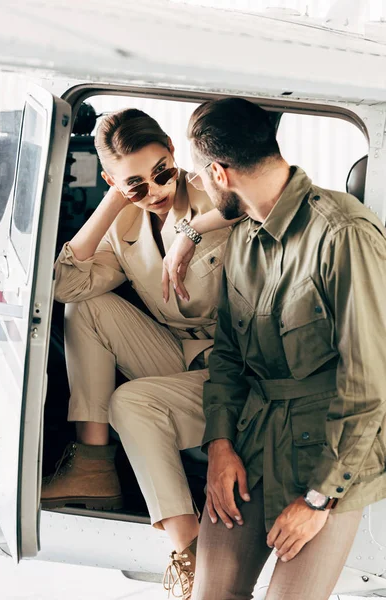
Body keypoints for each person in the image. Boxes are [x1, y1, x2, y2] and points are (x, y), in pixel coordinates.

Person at [179, 97, 386, 600]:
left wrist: (319, 499)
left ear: (218, 173)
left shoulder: (343, 234)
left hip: (331, 455)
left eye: (200, 178)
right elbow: (227, 357)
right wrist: (221, 444)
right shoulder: (243, 239)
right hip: (251, 439)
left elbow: (369, 387)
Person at [41, 108, 238, 599]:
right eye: (135, 184)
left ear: (173, 152)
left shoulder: (215, 196)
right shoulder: (126, 218)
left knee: (132, 400)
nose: (155, 191)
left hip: (233, 368)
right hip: (180, 358)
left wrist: (191, 234)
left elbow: (262, 204)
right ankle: (92, 462)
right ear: (112, 181)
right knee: (85, 309)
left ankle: (192, 555)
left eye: (162, 172)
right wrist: (114, 201)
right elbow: (68, 285)